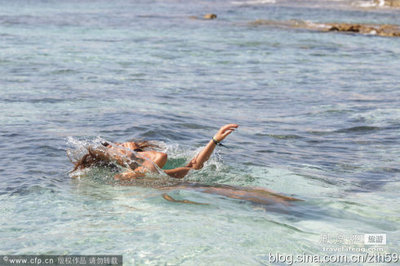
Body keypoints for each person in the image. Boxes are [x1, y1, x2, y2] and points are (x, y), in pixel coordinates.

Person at [69, 124, 300, 205]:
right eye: (123, 148)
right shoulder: (124, 177)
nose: (130, 146)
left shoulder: (155, 170)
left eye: (137, 148)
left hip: (196, 188)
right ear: (117, 158)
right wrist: (123, 152)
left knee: (269, 196)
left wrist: (214, 140)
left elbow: (194, 165)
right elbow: (157, 158)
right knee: (263, 198)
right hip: (189, 193)